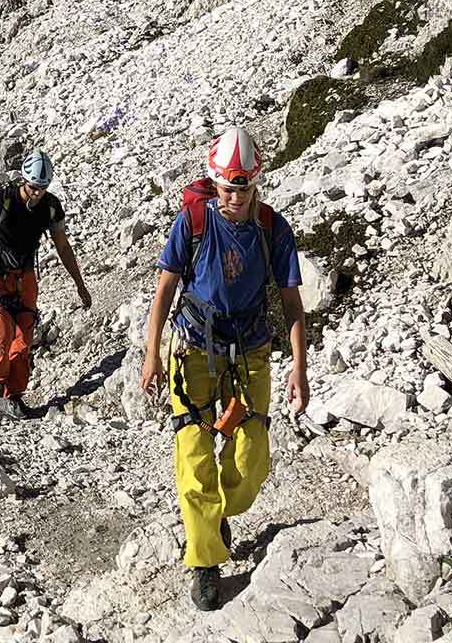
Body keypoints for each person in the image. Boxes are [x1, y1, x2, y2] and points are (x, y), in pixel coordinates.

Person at [138, 126, 310, 612]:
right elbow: (164, 290)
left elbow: (293, 304)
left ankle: (215, 517)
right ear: (215, 183)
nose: (235, 196)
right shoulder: (192, 222)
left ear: (255, 183)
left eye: (243, 187)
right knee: (193, 457)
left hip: (250, 349)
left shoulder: (273, 229)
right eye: (228, 187)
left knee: (251, 459)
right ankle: (206, 562)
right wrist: (152, 353)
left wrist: (300, 367)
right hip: (192, 348)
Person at [0, 149, 92, 420]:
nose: (37, 193)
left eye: (42, 188)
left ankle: (14, 396)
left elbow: (63, 247)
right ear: (23, 181)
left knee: (22, 343)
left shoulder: (50, 207)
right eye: (33, 187)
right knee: (0, 334)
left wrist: (79, 283)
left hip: (25, 279)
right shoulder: (1, 200)